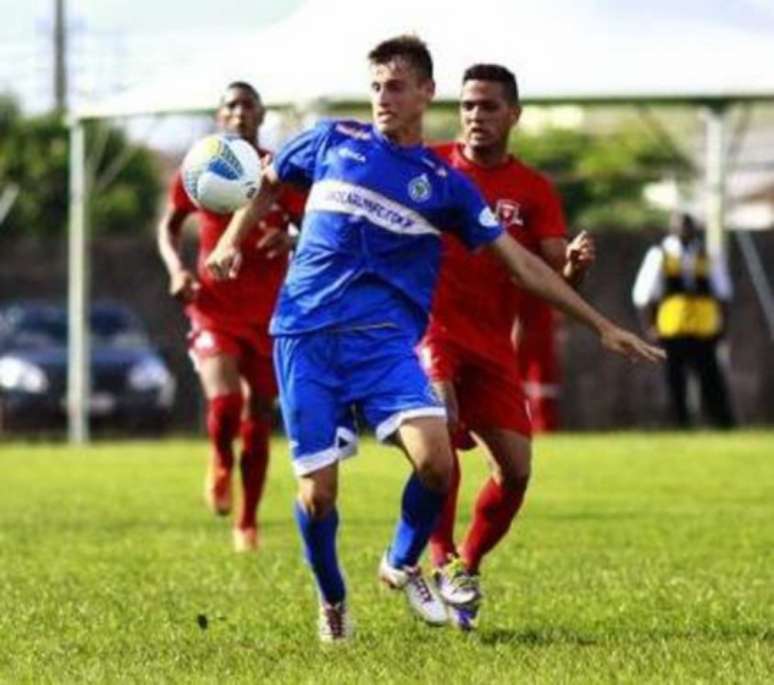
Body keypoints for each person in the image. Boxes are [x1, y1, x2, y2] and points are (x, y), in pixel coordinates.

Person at [206, 36, 662, 642]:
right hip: (307, 337)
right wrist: (232, 238)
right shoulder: (331, 139)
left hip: (382, 345)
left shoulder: (444, 185)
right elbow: (265, 182)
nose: (382, 99)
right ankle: (333, 601)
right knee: (317, 497)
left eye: (395, 87)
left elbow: (523, 266)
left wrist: (602, 325)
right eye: (375, 87)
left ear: (426, 92)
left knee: (438, 462)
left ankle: (401, 561)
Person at [420, 63, 595, 630]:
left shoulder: (534, 190)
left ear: (513, 114)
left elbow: (553, 280)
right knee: (440, 440)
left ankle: (466, 566)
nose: (475, 116)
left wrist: (571, 268)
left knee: (516, 471)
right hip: (432, 328)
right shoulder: (431, 165)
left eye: (489, 106)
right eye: (468, 105)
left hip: (494, 343)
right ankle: (440, 557)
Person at [157, 81, 305, 552]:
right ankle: (220, 459)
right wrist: (177, 268)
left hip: (268, 313)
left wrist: (293, 239)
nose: (240, 112)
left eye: (248, 105)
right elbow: (168, 227)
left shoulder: (278, 170)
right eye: (232, 105)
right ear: (221, 116)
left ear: (261, 114)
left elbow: (316, 223)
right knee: (223, 404)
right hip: (214, 307)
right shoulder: (200, 166)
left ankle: (247, 521)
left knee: (258, 415)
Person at [632, 212, 735, 428]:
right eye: (681, 226)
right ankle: (679, 424)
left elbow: (723, 293)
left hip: (704, 327)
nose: (685, 231)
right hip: (672, 327)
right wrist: (650, 326)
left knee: (711, 379)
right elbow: (643, 295)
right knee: (674, 380)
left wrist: (723, 327)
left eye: (689, 226)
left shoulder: (709, 254)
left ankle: (721, 424)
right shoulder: (659, 255)